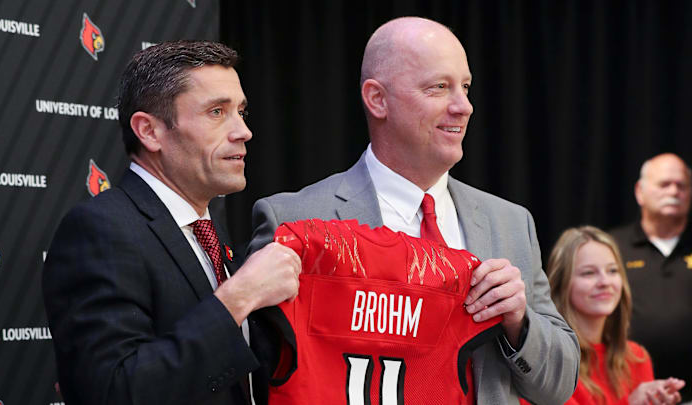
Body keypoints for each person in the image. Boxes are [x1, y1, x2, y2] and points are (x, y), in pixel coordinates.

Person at [248, 17, 580, 404]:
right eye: (439, 87)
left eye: (466, 87)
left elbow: (559, 386)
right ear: (377, 99)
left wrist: (518, 322)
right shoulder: (295, 220)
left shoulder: (509, 222)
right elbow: (255, 378)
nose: (464, 106)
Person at [42, 40, 302, 405]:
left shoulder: (210, 234)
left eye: (241, 112)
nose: (243, 131)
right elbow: (111, 392)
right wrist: (239, 296)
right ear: (149, 131)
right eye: (216, 112)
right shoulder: (100, 230)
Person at [543, 226, 684, 404]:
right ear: (561, 283)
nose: (605, 282)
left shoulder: (636, 357)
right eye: (589, 273)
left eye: (612, 271)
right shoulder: (546, 362)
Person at [610, 153, 692, 403]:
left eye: (681, 185)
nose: (674, 191)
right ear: (640, 191)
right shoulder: (613, 246)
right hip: (628, 393)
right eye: (664, 184)